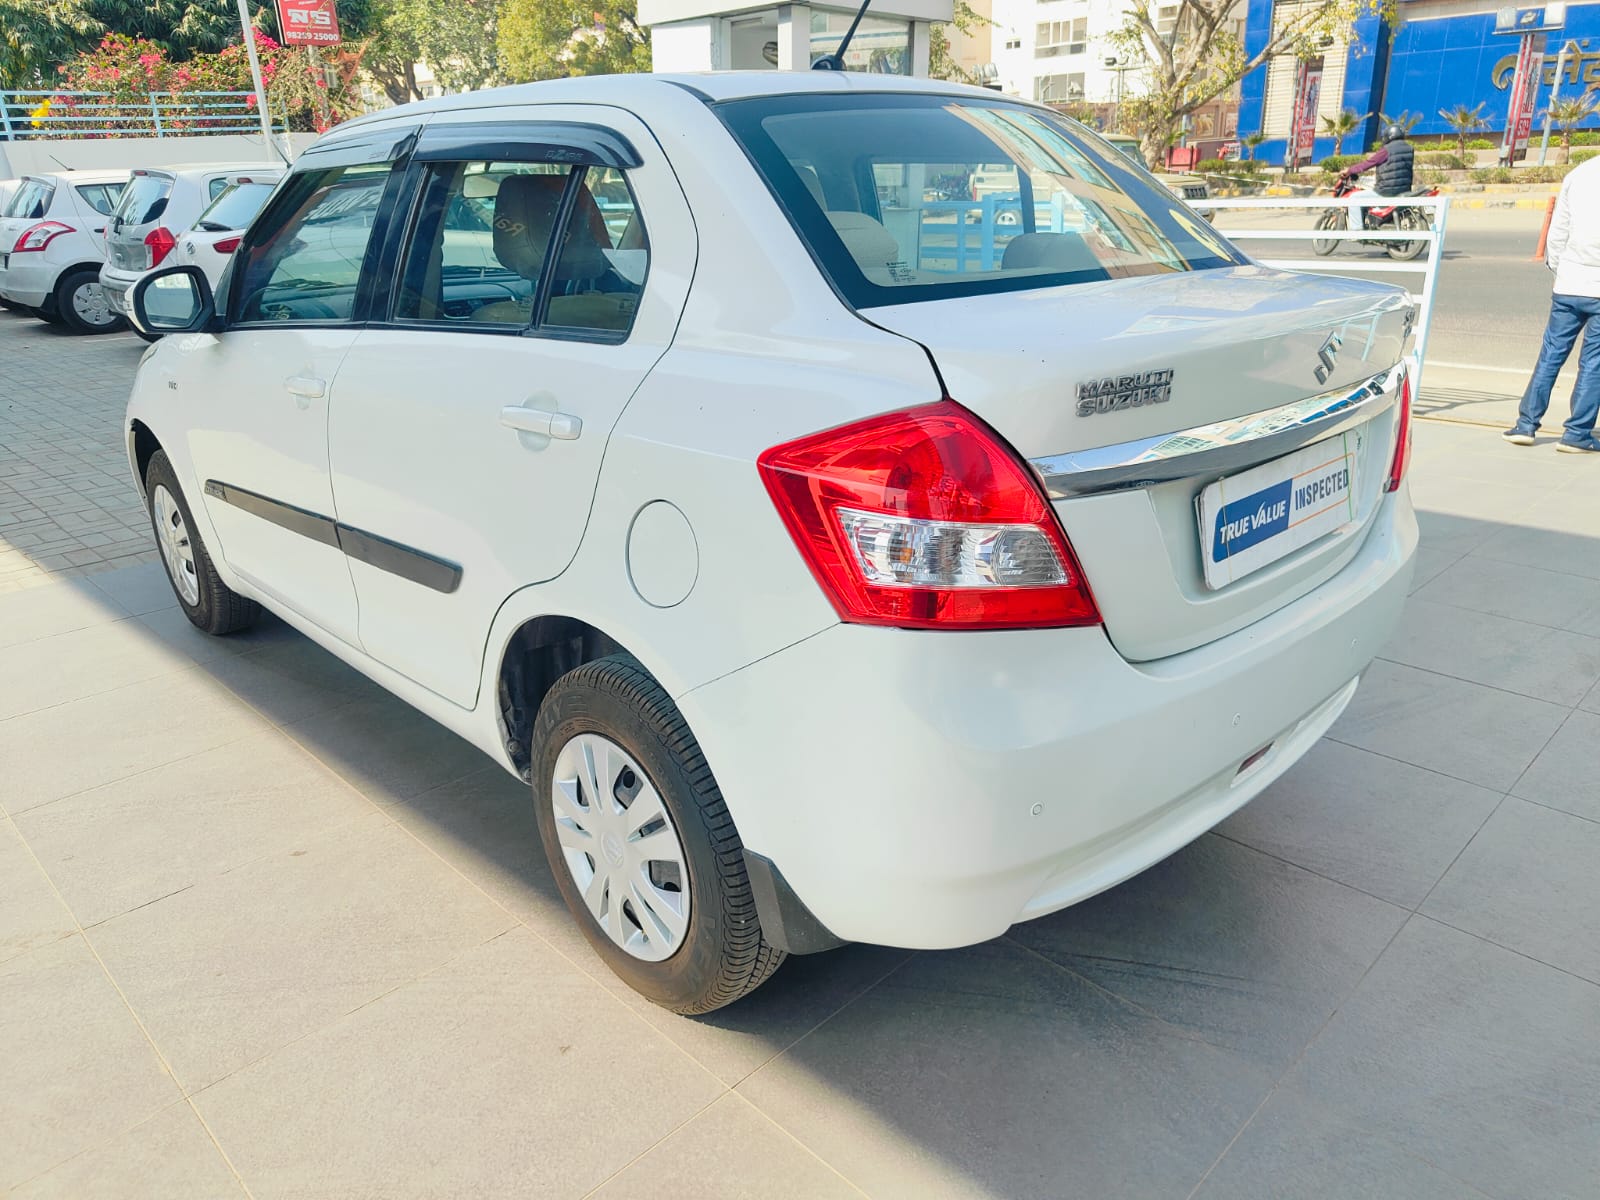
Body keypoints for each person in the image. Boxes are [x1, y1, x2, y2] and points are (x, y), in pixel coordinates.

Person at [1503, 153, 1600, 451]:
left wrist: (1560, 268)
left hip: (1569, 282)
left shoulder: (1580, 173)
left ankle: (1526, 425)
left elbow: (1558, 231)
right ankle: (1576, 433)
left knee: (1551, 354)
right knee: (1593, 362)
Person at [1338, 124, 1415, 229]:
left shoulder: (1386, 150)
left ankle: (1357, 231)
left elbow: (1369, 163)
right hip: (1404, 189)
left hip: (1386, 190)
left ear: (1389, 136)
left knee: (1353, 198)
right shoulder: (1409, 148)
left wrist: (1350, 170)